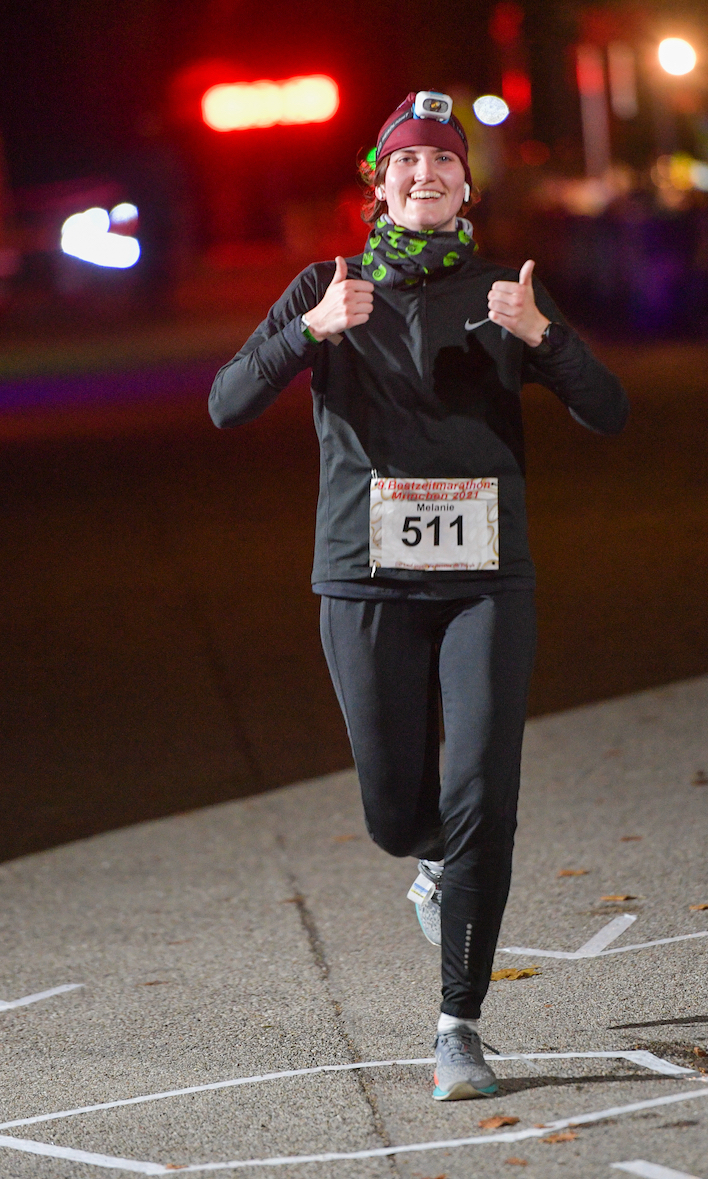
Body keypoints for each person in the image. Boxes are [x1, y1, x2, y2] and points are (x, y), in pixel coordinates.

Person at [209, 91, 629, 1101]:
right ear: (380, 184)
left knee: (483, 790)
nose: (424, 175)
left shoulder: (505, 292)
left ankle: (458, 1027)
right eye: (406, 162)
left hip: (487, 580)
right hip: (363, 578)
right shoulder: (327, 285)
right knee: (397, 811)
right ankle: (432, 861)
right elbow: (225, 403)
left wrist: (540, 337)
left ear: (466, 186)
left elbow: (607, 412)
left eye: (443, 162)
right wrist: (306, 331)